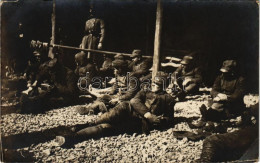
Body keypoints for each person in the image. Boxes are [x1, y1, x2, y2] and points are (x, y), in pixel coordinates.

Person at [55, 71, 177, 146]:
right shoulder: (145, 91)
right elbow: (134, 100)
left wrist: (160, 121)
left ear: (164, 85)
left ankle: (72, 138)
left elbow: (170, 119)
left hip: (139, 123)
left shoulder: (169, 99)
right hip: (130, 111)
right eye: (153, 83)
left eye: (158, 84)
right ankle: (86, 124)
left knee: (106, 128)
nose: (154, 86)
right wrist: (148, 115)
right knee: (120, 108)